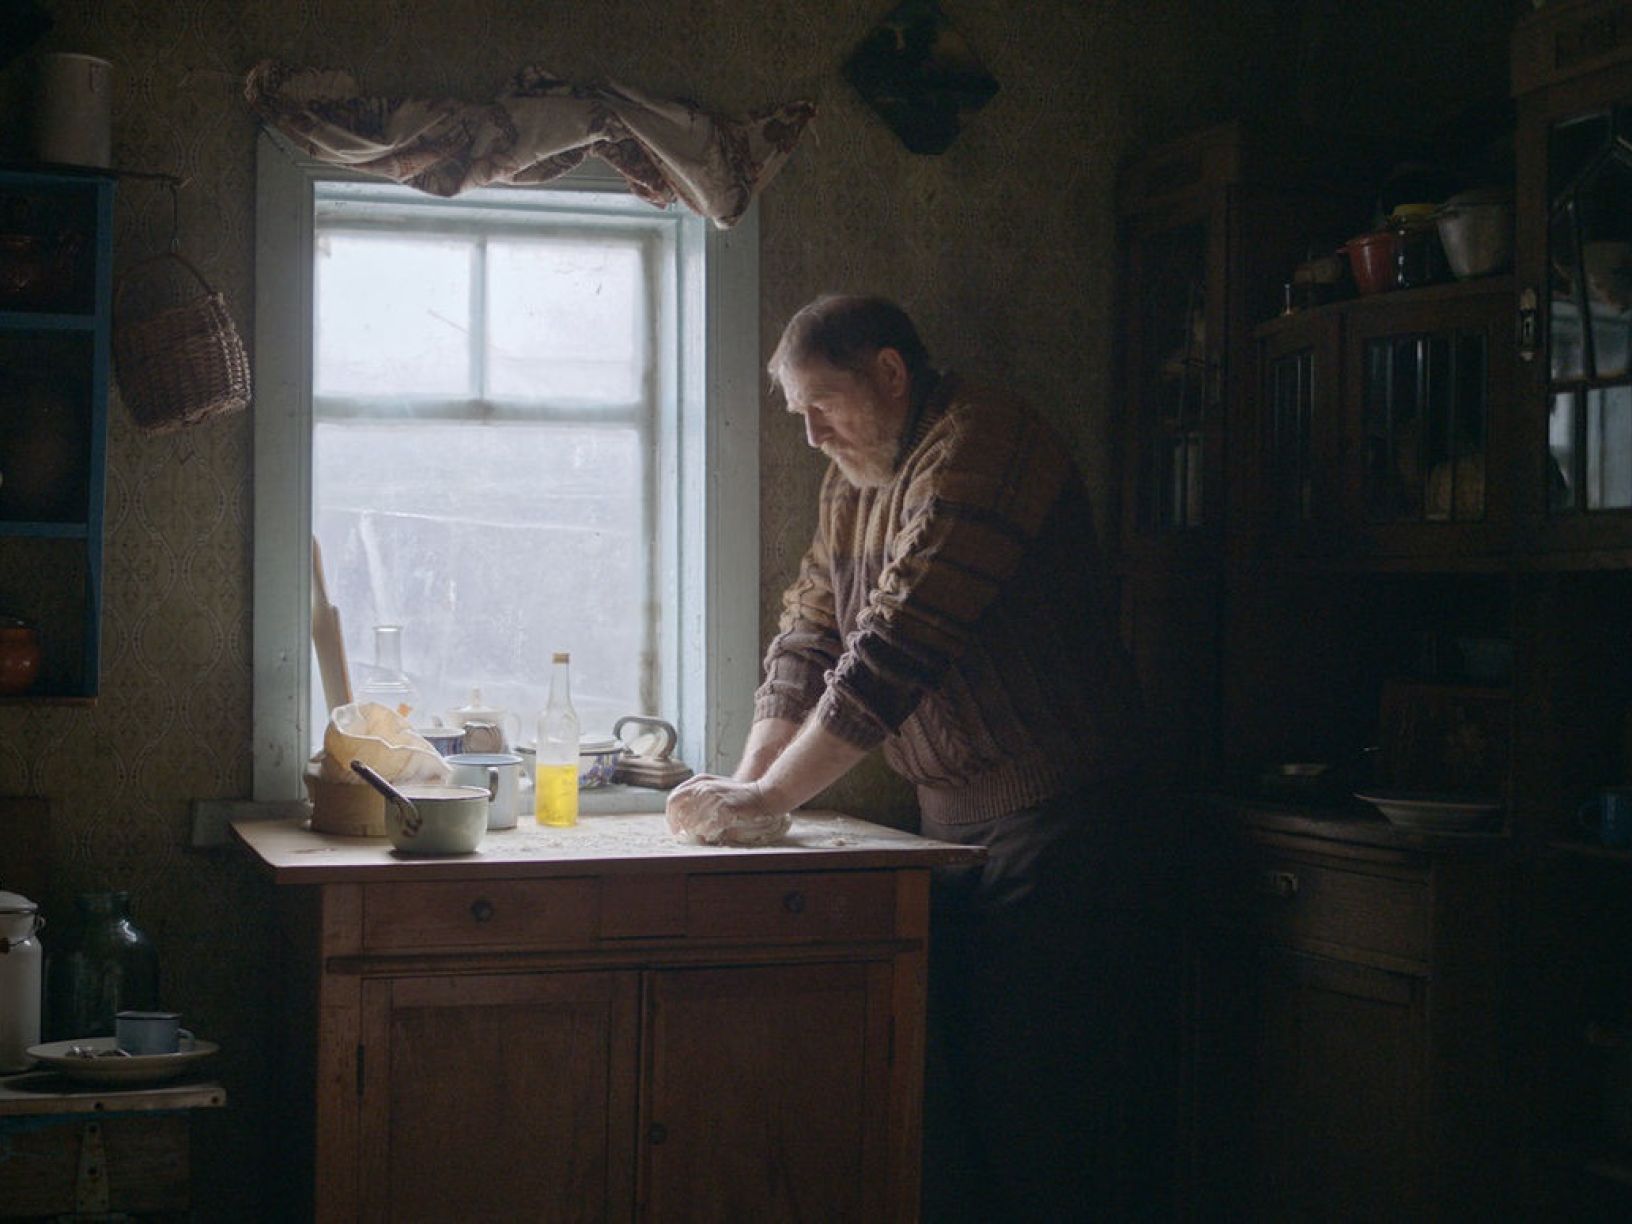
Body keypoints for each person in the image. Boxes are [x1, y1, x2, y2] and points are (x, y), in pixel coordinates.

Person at [665, 294, 1180, 1221]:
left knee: (1046, 1111)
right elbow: (808, 635)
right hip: (953, 826)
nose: (813, 437)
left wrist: (772, 799)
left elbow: (896, 650)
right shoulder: (853, 481)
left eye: (823, 406)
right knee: (958, 1107)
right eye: (799, 416)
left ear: (891, 373)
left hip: (1067, 818)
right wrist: (746, 787)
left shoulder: (985, 441)